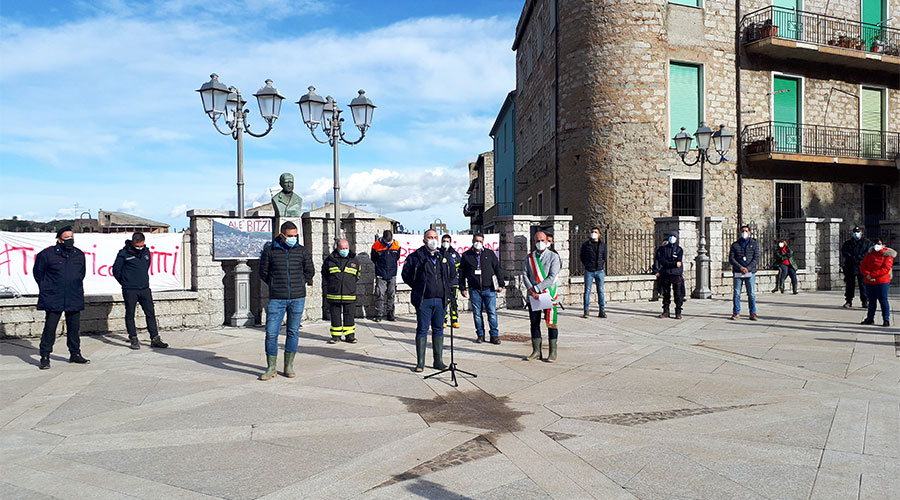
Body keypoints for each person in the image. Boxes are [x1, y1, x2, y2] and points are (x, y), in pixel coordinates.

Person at [258, 221, 315, 380]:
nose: (293, 238)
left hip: (297, 298)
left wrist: (300, 282)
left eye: (295, 236)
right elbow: (263, 272)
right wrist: (275, 283)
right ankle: (271, 368)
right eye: (290, 236)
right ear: (282, 235)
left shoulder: (302, 251)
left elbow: (310, 270)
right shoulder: (270, 251)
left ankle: (289, 366)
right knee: (271, 333)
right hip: (277, 299)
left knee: (293, 332)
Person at [33, 226, 90, 369]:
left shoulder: (79, 254)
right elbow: (38, 274)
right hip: (54, 297)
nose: (70, 240)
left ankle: (75, 353)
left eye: (72, 238)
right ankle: (45, 356)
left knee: (74, 328)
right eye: (67, 238)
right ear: (59, 240)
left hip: (73, 295)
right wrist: (47, 287)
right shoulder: (47, 254)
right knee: (50, 328)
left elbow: (81, 274)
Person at [401, 229, 456, 372]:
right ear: (424, 239)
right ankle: (420, 362)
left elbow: (452, 274)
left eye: (435, 237)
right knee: (422, 330)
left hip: (440, 299)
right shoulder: (416, 256)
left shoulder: (443, 256)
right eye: (430, 237)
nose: (433, 240)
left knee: (439, 329)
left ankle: (438, 361)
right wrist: (418, 286)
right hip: (424, 300)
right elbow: (406, 275)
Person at [112, 232, 168, 350]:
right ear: (133, 242)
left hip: (144, 289)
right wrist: (125, 282)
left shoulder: (146, 252)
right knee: (130, 314)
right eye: (137, 245)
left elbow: (146, 266)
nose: (139, 248)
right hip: (130, 290)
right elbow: (116, 270)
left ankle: (155, 338)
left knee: (150, 313)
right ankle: (133, 338)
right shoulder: (123, 253)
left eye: (141, 245)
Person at [459, 233, 505, 344]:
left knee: (492, 312)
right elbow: (462, 273)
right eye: (476, 240)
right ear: (472, 241)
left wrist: (501, 284)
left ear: (483, 242)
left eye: (480, 241)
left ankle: (494, 335)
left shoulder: (489, 254)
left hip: (489, 289)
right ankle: (480, 335)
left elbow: (497, 269)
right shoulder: (466, 255)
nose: (478, 243)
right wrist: (462, 288)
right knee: (477, 314)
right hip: (474, 290)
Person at [523, 231, 562, 362]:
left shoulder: (553, 257)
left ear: (547, 241)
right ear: (534, 242)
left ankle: (552, 352)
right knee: (534, 323)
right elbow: (524, 274)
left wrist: (537, 288)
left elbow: (552, 277)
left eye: (542, 240)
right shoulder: (529, 257)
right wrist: (530, 290)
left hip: (548, 294)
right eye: (537, 241)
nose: (540, 243)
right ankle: (536, 351)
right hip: (533, 296)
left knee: (551, 323)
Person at [323, 238, 361, 344]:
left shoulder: (354, 260)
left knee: (349, 315)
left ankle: (350, 336)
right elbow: (325, 274)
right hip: (334, 294)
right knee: (335, 315)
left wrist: (350, 285)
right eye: (342, 248)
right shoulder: (329, 260)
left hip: (349, 294)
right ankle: (336, 336)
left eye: (346, 248)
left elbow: (357, 275)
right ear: (337, 248)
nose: (345, 250)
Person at [859, 239, 894, 327]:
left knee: (883, 300)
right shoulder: (870, 253)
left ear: (884, 245)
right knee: (871, 301)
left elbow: (886, 269)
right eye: (875, 243)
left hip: (882, 281)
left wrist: (872, 275)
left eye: (879, 243)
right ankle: (870, 318)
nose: (876, 246)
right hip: (869, 281)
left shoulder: (887, 255)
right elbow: (863, 265)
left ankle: (886, 319)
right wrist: (867, 275)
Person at [729, 224, 760, 320]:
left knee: (751, 294)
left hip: (750, 272)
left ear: (750, 232)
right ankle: (736, 312)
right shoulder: (735, 245)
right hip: (738, 272)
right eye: (742, 231)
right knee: (737, 293)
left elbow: (756, 258)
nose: (744, 233)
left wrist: (748, 268)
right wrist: (741, 267)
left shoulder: (754, 244)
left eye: (746, 231)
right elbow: (731, 258)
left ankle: (753, 313)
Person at [652, 231, 685, 319]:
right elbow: (663, 261)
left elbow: (679, 262)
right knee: (666, 294)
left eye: (674, 236)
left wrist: (669, 264)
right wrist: (673, 264)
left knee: (678, 294)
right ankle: (666, 311)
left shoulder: (679, 249)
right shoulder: (663, 249)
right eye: (671, 236)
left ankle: (678, 312)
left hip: (676, 274)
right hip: (665, 274)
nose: (672, 238)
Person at [371, 229, 400, 322]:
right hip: (381, 273)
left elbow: (397, 257)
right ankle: (379, 314)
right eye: (386, 241)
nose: (388, 243)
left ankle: (390, 314)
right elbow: (373, 258)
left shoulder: (396, 245)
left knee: (391, 294)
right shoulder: (376, 246)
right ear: (383, 238)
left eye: (390, 241)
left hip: (392, 273)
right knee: (380, 294)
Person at [841, 226, 873, 309]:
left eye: (858, 232)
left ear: (861, 233)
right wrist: (852, 258)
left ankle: (865, 301)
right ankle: (848, 301)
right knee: (850, 284)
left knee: (863, 284)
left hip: (862, 266)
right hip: (850, 266)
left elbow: (867, 253)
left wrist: (858, 258)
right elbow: (845, 252)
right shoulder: (847, 243)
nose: (856, 233)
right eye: (855, 232)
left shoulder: (867, 243)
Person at [580, 226, 608, 318]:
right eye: (592, 232)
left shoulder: (602, 245)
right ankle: (586, 311)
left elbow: (604, 256)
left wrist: (601, 264)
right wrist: (587, 264)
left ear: (599, 234)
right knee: (587, 291)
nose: (594, 233)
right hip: (589, 270)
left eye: (596, 232)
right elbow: (582, 256)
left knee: (600, 290)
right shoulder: (586, 245)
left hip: (599, 270)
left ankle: (602, 310)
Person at [440, 234, 461, 328]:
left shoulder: (455, 254)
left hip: (453, 283)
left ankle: (454, 320)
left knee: (454, 302)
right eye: (444, 241)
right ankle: (443, 320)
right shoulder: (438, 253)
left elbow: (460, 267)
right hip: (442, 283)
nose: (445, 243)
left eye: (447, 241)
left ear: (450, 242)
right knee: (443, 303)